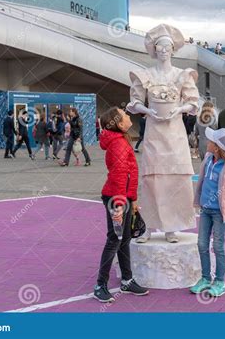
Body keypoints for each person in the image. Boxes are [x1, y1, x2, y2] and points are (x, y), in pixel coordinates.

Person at [126, 24, 199, 243]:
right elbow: (135, 102)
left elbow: (192, 102)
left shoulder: (183, 75)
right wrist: (147, 110)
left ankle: (171, 226)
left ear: (173, 50)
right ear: (154, 49)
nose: (164, 50)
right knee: (152, 179)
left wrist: (179, 109)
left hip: (175, 132)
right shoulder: (145, 74)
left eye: (168, 47)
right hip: (154, 132)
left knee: (175, 179)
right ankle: (147, 226)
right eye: (160, 46)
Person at [94, 107, 148, 303]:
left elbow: (130, 174)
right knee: (114, 240)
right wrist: (119, 206)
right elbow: (118, 177)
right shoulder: (118, 144)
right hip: (116, 198)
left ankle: (127, 280)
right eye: (124, 114)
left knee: (124, 238)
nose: (127, 115)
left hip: (122, 198)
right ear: (117, 123)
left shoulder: (121, 141)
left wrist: (132, 199)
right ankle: (100, 285)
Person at [191, 127, 225, 297]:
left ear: (217, 147)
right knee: (202, 244)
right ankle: (205, 278)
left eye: (211, 141)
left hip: (220, 213)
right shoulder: (208, 159)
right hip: (205, 210)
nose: (207, 142)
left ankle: (220, 281)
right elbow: (203, 181)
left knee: (218, 246)